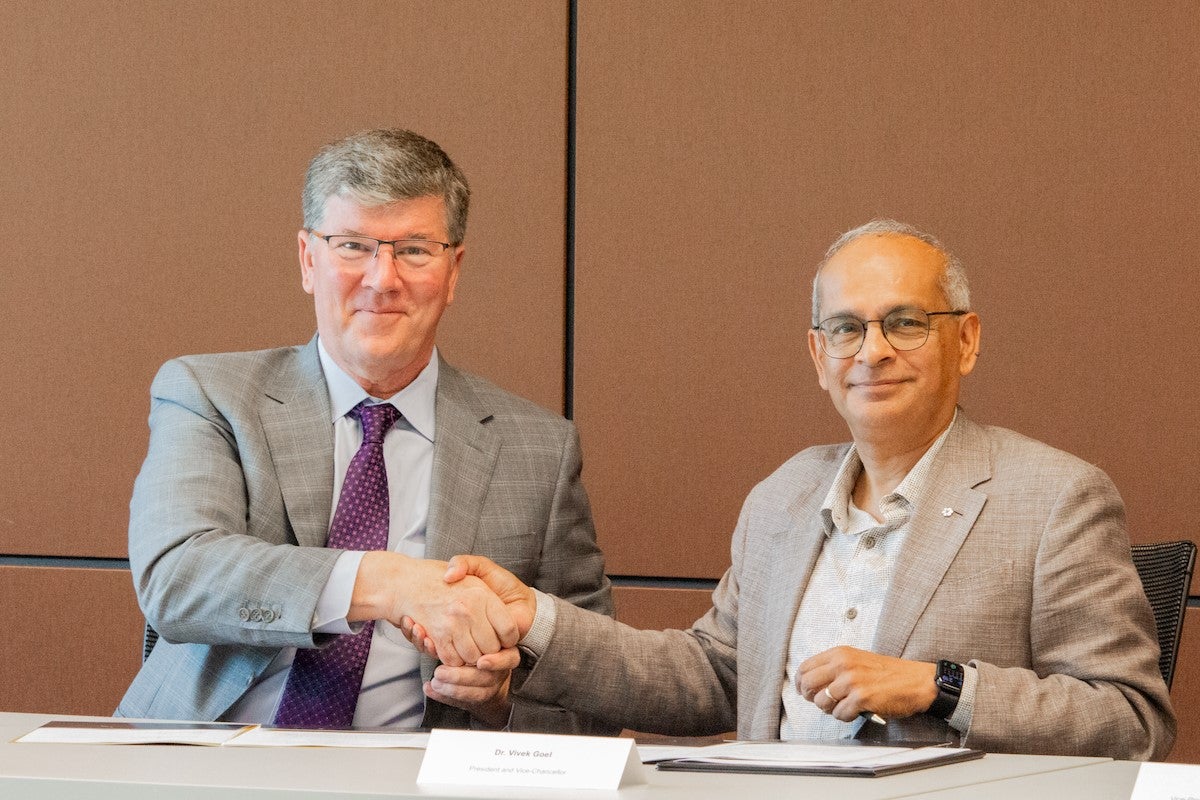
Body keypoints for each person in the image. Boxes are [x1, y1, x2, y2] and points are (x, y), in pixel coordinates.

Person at [409, 219, 1175, 759]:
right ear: (818, 354)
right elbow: (711, 678)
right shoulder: (782, 496)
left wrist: (939, 686)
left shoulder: (1055, 499)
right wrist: (535, 619)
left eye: (904, 323)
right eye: (846, 329)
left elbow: (1130, 719)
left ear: (965, 340)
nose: (871, 352)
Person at [117, 128, 613, 733]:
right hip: (202, 762)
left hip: (413, 780)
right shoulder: (210, 395)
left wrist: (501, 699)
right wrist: (391, 583)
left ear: (454, 271)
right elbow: (178, 578)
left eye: (414, 250)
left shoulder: (539, 451)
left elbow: (593, 695)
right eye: (352, 245)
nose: (382, 279)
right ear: (307, 259)